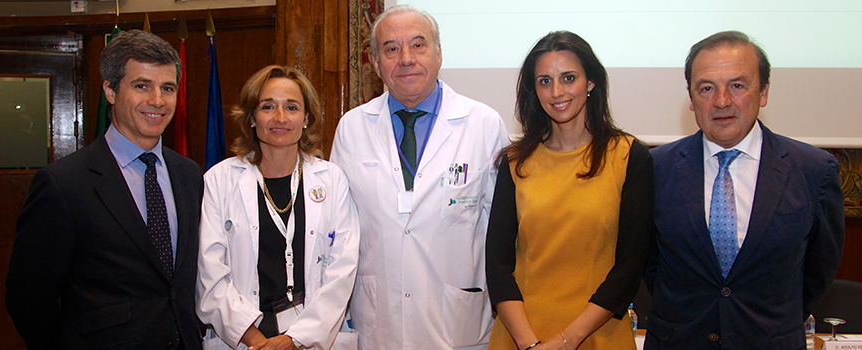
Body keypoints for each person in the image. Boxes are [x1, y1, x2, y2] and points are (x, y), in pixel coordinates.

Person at [644, 31, 845, 349]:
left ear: (763, 92)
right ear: (691, 97)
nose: (721, 101)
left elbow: (818, 271)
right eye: (706, 88)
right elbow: (652, 266)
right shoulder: (654, 168)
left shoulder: (814, 170)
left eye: (737, 86)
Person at [5, 29, 203, 349]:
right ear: (110, 91)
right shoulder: (64, 183)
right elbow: (28, 298)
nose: (157, 100)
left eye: (168, 88)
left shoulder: (189, 175)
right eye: (142, 86)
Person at [329, 4, 510, 349]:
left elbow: (502, 232)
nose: (406, 58)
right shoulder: (352, 128)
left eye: (418, 44)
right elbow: (339, 229)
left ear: (439, 53)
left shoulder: (483, 124)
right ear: (376, 63)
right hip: (377, 321)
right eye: (391, 49)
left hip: (457, 323)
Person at [486, 31, 654, 350]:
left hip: (596, 336)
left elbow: (630, 266)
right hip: (520, 338)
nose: (557, 92)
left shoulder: (629, 157)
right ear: (533, 90)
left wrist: (568, 340)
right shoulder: (514, 162)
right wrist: (529, 344)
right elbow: (497, 264)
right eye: (545, 81)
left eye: (569, 77)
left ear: (591, 82)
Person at [196, 65, 360, 350]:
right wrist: (257, 342)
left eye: (292, 107)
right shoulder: (219, 181)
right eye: (268, 106)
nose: (280, 118)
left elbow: (342, 270)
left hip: (309, 338)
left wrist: (293, 340)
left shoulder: (332, 180)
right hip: (245, 339)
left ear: (306, 118)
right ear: (251, 117)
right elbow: (209, 275)